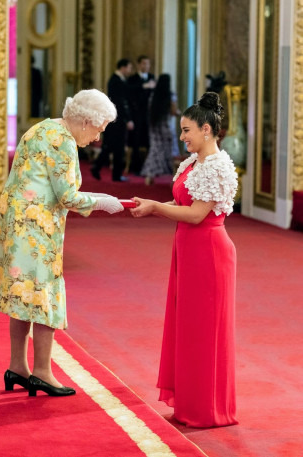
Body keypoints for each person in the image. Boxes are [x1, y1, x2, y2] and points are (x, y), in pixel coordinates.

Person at [0, 89, 124, 397]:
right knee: (44, 295)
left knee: (22, 295)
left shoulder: (41, 127)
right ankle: (43, 372)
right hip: (36, 227)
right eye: (99, 129)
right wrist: (104, 201)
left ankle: (17, 366)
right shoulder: (64, 142)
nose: (98, 138)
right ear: (86, 121)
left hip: (13, 222)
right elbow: (68, 197)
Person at [130, 92, 238, 428]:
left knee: (205, 330)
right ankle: (189, 402)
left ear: (207, 130)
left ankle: (207, 408)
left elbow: (195, 215)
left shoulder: (218, 167)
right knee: (187, 327)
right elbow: (181, 202)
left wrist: (155, 207)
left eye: (187, 130)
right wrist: (152, 203)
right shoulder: (190, 164)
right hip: (187, 251)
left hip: (208, 252)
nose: (182, 137)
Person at [91, 59, 134, 182]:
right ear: (123, 67)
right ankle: (114, 174)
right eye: (129, 68)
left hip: (113, 119)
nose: (130, 71)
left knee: (110, 146)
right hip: (117, 120)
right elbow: (120, 103)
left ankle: (98, 167)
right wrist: (127, 119)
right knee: (117, 147)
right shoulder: (116, 80)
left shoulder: (116, 80)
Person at [141, 74, 180, 185]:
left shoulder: (154, 95)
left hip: (154, 126)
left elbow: (149, 110)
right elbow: (173, 111)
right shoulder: (170, 95)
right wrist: (178, 112)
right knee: (169, 151)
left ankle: (150, 174)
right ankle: (172, 176)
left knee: (155, 150)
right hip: (166, 126)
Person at [127, 55, 156, 174]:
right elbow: (129, 92)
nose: (146, 66)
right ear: (139, 65)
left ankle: (148, 167)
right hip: (136, 114)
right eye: (144, 63)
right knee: (136, 141)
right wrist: (143, 86)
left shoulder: (152, 77)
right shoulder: (133, 78)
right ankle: (136, 167)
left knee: (149, 141)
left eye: (148, 64)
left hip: (148, 114)